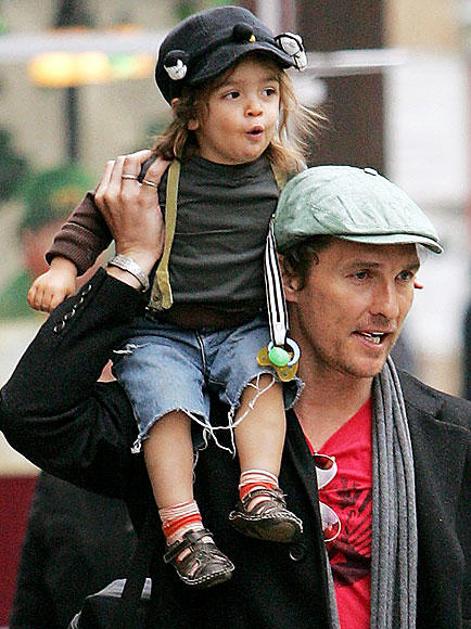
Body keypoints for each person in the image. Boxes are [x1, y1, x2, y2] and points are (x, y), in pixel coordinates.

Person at [1, 159, 469, 628]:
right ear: (289, 276)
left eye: (404, 277)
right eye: (362, 276)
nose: (388, 307)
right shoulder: (188, 424)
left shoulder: (449, 437)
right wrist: (131, 266)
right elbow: (32, 413)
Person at [25, 6, 317, 589]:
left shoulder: (288, 178)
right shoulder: (156, 173)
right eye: (233, 95)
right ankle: (183, 528)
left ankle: (261, 491)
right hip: (164, 328)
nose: (256, 108)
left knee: (264, 379)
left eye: (268, 92)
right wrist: (63, 268)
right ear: (192, 112)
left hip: (246, 323)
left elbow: (315, 239)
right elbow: (94, 215)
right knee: (165, 405)